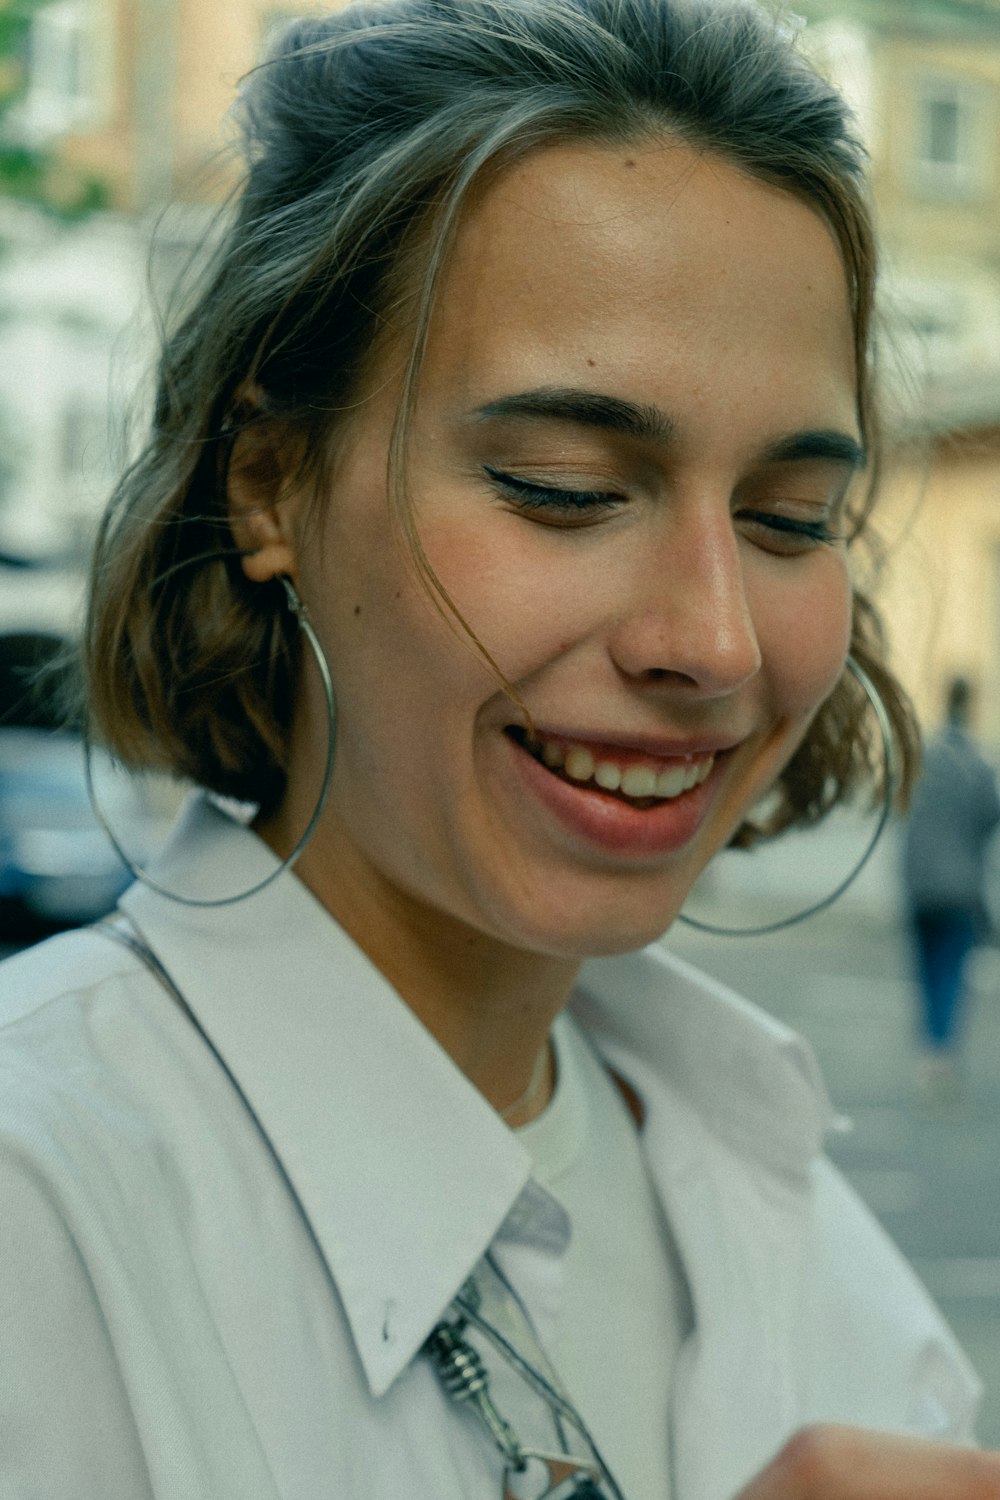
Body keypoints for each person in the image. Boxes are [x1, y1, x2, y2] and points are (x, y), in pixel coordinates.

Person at [2, 1, 999, 1496]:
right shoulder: (46, 1198)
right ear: (271, 485)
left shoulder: (777, 1209)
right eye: (564, 486)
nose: (715, 643)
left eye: (793, 518)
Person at [902, 675, 1000, 1096]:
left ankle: (930, 1050)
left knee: (925, 970)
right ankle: (941, 1054)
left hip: (920, 885)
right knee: (951, 972)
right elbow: (989, 820)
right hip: (960, 888)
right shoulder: (976, 765)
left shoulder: (923, 758)